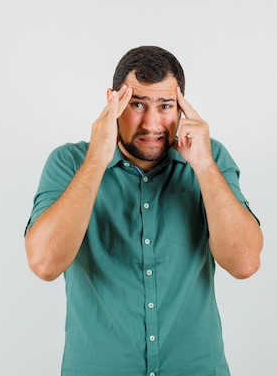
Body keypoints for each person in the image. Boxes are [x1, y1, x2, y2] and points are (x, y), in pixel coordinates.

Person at [24, 45, 263, 376]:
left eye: (165, 106)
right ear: (113, 101)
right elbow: (44, 264)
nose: (152, 124)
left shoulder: (209, 158)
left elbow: (245, 263)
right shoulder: (69, 164)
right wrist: (97, 158)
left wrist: (205, 166)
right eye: (137, 104)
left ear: (181, 108)